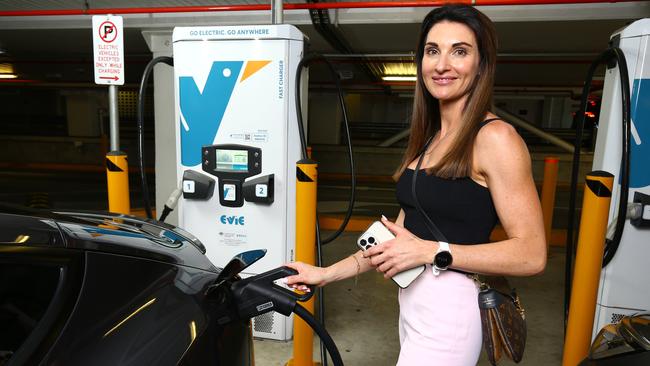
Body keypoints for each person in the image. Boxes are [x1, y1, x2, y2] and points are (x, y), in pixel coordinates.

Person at [286, 4, 547, 365]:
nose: (442, 64)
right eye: (432, 50)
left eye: (460, 51)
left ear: (482, 63)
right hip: (413, 301)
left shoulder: (496, 137)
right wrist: (326, 273)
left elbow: (532, 254)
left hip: (452, 310)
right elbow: (396, 240)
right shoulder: (431, 140)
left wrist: (431, 251)